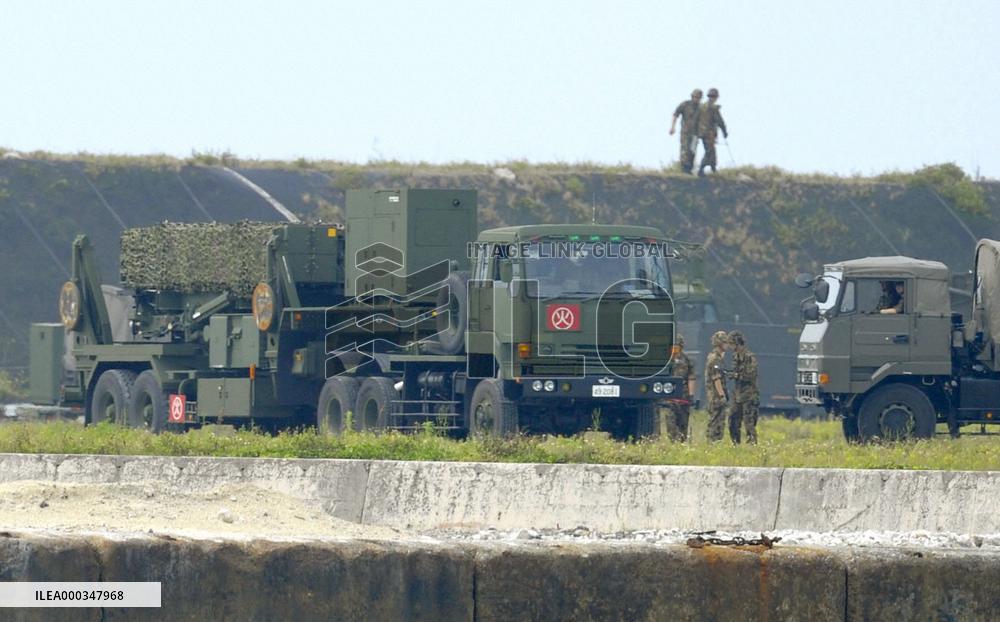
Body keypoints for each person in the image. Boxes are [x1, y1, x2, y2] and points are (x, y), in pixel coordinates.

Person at [727, 330, 759, 444]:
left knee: (748, 422)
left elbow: (751, 375)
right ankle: (735, 443)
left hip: (749, 394)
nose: (730, 346)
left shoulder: (749, 357)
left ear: (737, 342)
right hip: (737, 394)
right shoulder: (735, 356)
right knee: (732, 419)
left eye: (731, 343)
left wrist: (737, 375)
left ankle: (752, 446)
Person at [664, 334, 696, 442]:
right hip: (669, 398)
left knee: (683, 424)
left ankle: (682, 442)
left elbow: (691, 378)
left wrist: (691, 396)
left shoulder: (687, 360)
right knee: (670, 423)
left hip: (683, 397)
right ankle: (673, 442)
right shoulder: (666, 360)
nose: (674, 349)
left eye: (676, 347)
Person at [669, 89, 703, 174]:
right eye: (695, 97)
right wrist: (672, 127)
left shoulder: (701, 108)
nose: (696, 99)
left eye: (698, 97)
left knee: (692, 151)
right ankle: (684, 169)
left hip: (695, 133)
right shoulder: (685, 104)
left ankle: (689, 170)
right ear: (692, 97)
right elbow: (676, 114)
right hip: (685, 132)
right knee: (684, 150)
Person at [697, 88, 728, 177]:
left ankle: (713, 169)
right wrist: (724, 132)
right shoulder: (713, 108)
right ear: (716, 97)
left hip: (702, 133)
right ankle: (701, 169)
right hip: (709, 133)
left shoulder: (702, 106)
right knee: (709, 151)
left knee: (711, 151)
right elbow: (720, 121)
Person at [704, 330, 729, 442]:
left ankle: (713, 442)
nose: (727, 345)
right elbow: (716, 379)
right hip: (716, 397)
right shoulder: (715, 359)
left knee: (717, 420)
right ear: (719, 343)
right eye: (725, 342)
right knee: (716, 421)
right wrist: (722, 395)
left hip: (714, 396)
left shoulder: (715, 357)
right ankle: (712, 442)